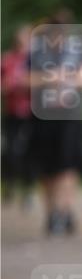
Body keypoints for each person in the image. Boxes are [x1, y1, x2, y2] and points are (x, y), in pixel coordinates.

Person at [29, 13, 82, 235]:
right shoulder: (36, 51)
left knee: (68, 165)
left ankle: (65, 211)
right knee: (46, 167)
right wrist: (49, 79)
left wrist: (68, 78)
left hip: (69, 115)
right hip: (41, 116)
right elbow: (23, 79)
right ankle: (51, 213)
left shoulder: (76, 50)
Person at [1, 24, 34, 205]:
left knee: (30, 152)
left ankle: (28, 189)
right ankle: (10, 183)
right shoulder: (7, 59)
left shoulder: (36, 60)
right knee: (11, 151)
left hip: (32, 113)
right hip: (12, 112)